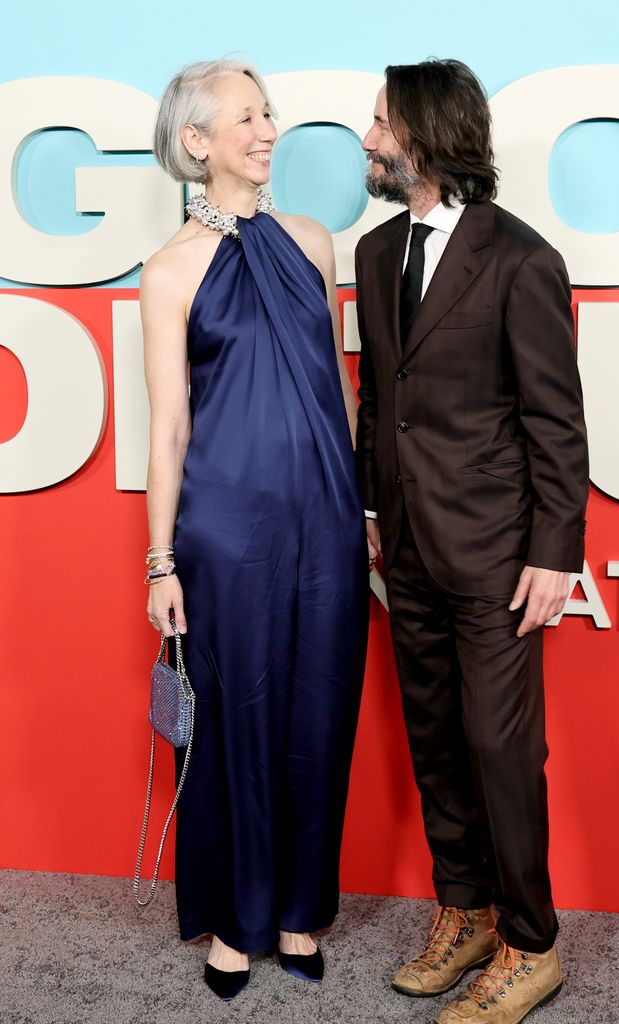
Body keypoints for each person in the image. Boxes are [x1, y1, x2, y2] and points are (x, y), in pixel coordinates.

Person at [355, 59, 589, 1024]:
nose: (366, 140)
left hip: (497, 552)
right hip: (405, 545)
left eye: (379, 123)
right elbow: (382, 401)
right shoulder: (373, 254)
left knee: (499, 748)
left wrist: (556, 550)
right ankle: (468, 913)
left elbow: (556, 420)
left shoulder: (522, 259)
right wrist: (373, 513)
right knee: (439, 743)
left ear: (426, 133)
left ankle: (532, 944)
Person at [141, 58, 368, 1002]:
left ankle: (295, 910)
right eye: (246, 115)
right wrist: (160, 562)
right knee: (235, 720)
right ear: (197, 143)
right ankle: (235, 921)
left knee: (320, 711)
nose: (267, 128)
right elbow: (168, 429)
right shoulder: (170, 271)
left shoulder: (313, 243)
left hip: (324, 524)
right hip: (225, 534)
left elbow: (341, 395)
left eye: (268, 111)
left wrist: (358, 507)